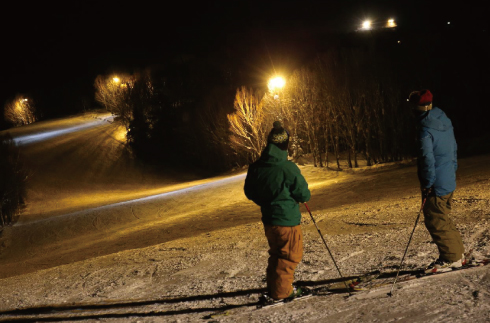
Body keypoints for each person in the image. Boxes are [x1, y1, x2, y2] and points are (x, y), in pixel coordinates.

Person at [244, 121, 311, 301]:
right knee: (289, 256)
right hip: (287, 221)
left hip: (269, 221)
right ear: (285, 145)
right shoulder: (288, 168)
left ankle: (276, 287)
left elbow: (249, 192)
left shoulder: (257, 167)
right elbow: (304, 194)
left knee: (277, 254)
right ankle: (281, 292)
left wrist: (267, 202)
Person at [409, 89, 465, 273]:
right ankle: (457, 253)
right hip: (448, 178)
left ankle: (452, 258)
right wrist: (452, 170)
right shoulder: (444, 121)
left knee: (436, 220)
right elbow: (454, 148)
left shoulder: (425, 130)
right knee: (443, 217)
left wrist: (427, 183)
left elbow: (427, 160)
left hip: (437, 183)